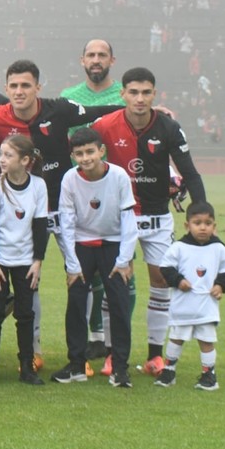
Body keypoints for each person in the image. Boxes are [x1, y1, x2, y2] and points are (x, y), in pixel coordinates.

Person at [0, 60, 123, 371]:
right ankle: (34, 352)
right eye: (14, 86)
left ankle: (79, 355)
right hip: (29, 214)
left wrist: (147, 111)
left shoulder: (57, 109)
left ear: (37, 88)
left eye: (26, 85)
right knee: (30, 280)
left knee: (79, 277)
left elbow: (98, 113)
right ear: (6, 89)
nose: (19, 91)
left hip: (67, 208)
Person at [92, 67, 206, 378]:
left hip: (157, 218)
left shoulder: (168, 127)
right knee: (114, 285)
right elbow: (83, 157)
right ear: (123, 94)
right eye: (133, 92)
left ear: (154, 94)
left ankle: (155, 356)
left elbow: (190, 172)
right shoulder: (105, 125)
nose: (140, 98)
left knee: (161, 283)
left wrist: (200, 210)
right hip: (119, 217)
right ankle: (113, 356)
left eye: (146, 92)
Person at [59, 39, 131, 364]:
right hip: (80, 192)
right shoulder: (68, 98)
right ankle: (92, 340)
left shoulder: (125, 95)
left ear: (112, 60)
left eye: (103, 55)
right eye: (91, 54)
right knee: (83, 277)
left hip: (118, 190)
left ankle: (114, 350)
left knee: (120, 276)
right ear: (82, 59)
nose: (97, 59)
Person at [52, 128, 137, 388]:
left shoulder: (119, 175)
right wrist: (71, 263)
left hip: (112, 246)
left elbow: (127, 219)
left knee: (120, 306)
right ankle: (77, 365)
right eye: (79, 153)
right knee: (76, 305)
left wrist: (124, 259)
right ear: (73, 155)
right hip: (82, 245)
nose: (86, 158)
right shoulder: (69, 179)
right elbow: (66, 222)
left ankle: (120, 369)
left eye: (90, 151)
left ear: (101, 151)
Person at [0, 135, 48, 386]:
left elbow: (41, 226)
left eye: (9, 155)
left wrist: (37, 261)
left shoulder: (39, 186)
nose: (2, 159)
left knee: (25, 314)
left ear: (26, 160)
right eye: (1, 154)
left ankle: (27, 369)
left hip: (26, 262)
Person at [155, 202, 225, 391]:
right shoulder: (179, 247)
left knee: (207, 341)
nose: (203, 227)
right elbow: (166, 267)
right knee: (176, 338)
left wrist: (220, 285)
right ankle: (169, 370)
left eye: (208, 223)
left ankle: (209, 375)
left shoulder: (218, 248)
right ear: (187, 225)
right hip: (183, 305)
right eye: (197, 223)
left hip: (206, 305)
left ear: (214, 226)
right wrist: (178, 280)